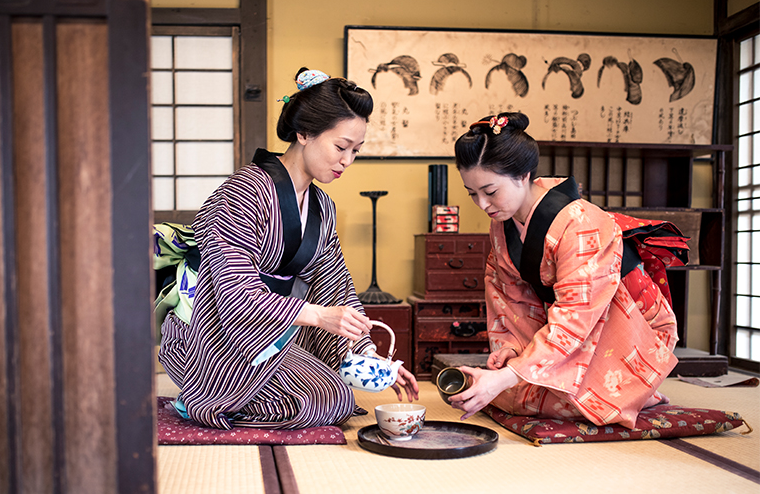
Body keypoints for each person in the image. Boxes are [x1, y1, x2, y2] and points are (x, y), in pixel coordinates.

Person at [158, 68, 419, 430]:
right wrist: (319, 316)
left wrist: (371, 356)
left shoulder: (322, 207)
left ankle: (238, 396)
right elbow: (234, 292)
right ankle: (201, 396)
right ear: (305, 133)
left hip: (268, 333)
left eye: (356, 151)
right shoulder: (243, 192)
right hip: (212, 333)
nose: (347, 161)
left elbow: (335, 285)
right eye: (341, 147)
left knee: (337, 399)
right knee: (324, 401)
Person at [448, 112, 687, 429]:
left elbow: (577, 312)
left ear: (523, 175)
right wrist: (511, 349)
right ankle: (620, 392)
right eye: (472, 193)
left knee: (537, 397)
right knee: (512, 393)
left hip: (623, 321)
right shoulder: (502, 223)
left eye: (490, 192)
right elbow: (508, 296)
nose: (482, 204)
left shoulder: (580, 223)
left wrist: (508, 376)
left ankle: (635, 390)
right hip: (571, 323)